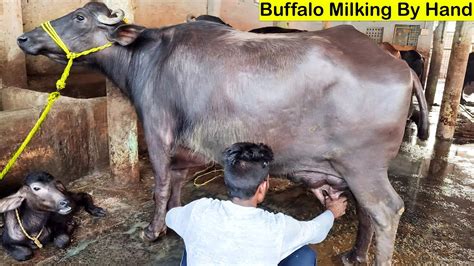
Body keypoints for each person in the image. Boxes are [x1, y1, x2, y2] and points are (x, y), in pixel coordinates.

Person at [166, 142, 348, 266]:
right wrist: (332, 212)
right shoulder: (277, 228)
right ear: (263, 187)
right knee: (305, 256)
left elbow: (170, 217)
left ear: (227, 179)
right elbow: (315, 232)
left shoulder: (200, 210)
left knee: (191, 241)